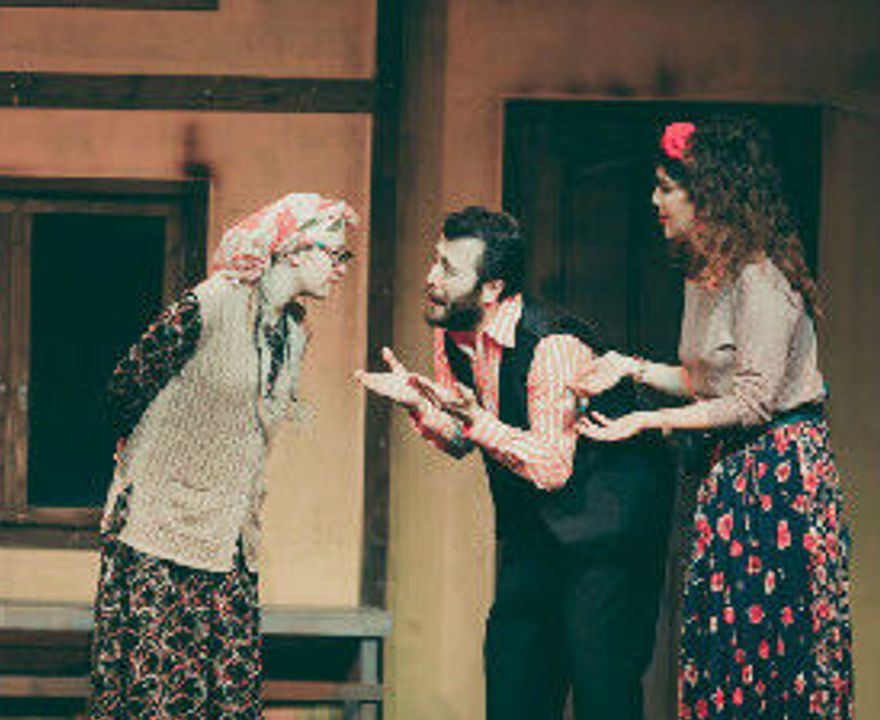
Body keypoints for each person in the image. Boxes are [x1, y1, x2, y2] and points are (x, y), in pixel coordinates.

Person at [572, 118, 853, 718]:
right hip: (733, 474)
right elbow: (706, 381)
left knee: (771, 649)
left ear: (709, 195)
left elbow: (753, 401)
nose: (655, 201)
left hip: (780, 479)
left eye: (666, 188)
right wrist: (630, 368)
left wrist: (652, 422)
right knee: (724, 641)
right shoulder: (704, 277)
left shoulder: (760, 277)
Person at [356, 206, 673, 719]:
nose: (432, 278)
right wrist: (420, 405)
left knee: (602, 689)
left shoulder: (551, 345)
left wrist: (477, 421)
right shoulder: (453, 332)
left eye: (449, 269)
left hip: (608, 529)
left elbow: (552, 466)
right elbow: (464, 435)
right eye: (436, 260)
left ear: (491, 288)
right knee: (515, 677)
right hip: (535, 529)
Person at [89, 193, 358, 719]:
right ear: (293, 250)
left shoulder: (293, 332)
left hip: (229, 543)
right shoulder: (212, 303)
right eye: (335, 253)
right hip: (160, 538)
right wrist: (147, 461)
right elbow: (125, 386)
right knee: (157, 700)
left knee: (226, 704)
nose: (342, 267)